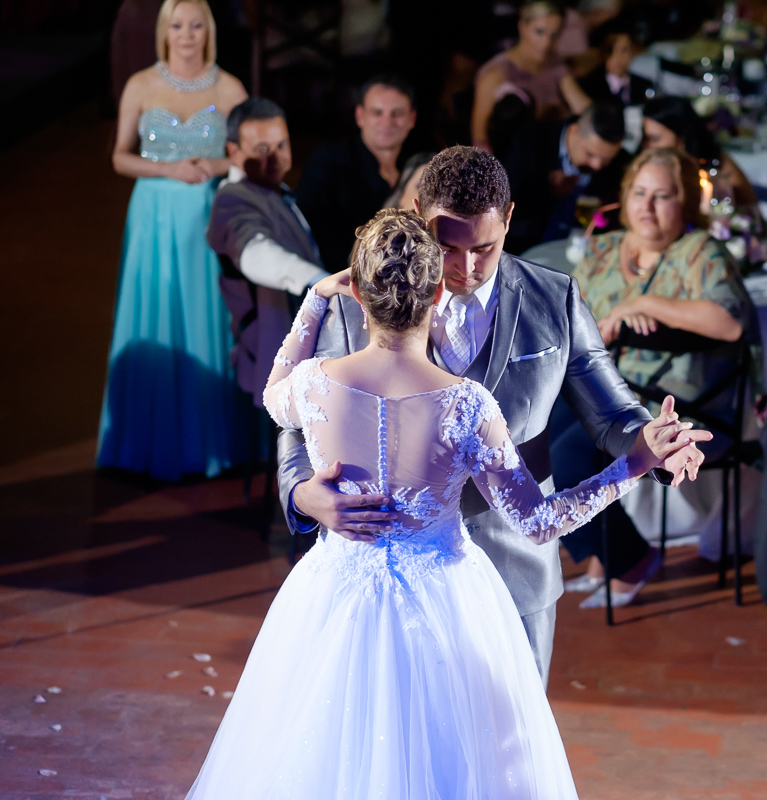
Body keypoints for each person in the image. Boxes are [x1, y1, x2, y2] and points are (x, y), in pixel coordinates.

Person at [184, 209, 702, 798]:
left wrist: (314, 300)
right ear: (436, 292)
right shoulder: (467, 405)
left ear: (357, 293)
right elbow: (537, 522)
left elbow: (273, 392)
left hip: (335, 591)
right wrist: (634, 464)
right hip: (447, 600)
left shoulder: (313, 385)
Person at [276, 147, 707, 683]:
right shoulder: (356, 301)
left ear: (507, 219)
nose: (466, 268)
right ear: (417, 212)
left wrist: (653, 440)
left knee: (512, 755)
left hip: (516, 570)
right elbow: (298, 419)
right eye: (447, 247)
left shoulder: (555, 298)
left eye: (485, 247)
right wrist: (301, 494)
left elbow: (613, 414)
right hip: (390, 580)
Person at [557, 147, 755, 608]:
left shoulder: (700, 253)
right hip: (608, 393)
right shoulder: (606, 248)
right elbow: (568, 317)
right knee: (530, 440)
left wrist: (644, 304)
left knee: (568, 459)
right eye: (639, 193)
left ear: (684, 201)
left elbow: (729, 323)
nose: (647, 207)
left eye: (662, 196)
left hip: (679, 405)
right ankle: (597, 554)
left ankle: (630, 560)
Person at [98, 0, 250, 481]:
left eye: (196, 25)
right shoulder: (140, 84)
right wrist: (167, 169)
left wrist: (213, 167)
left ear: (209, 30)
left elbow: (249, 152)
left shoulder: (229, 88)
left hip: (206, 214)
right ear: (165, 31)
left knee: (207, 314)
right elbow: (120, 157)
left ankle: (209, 441)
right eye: (178, 25)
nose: (187, 34)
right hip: (153, 215)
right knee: (156, 308)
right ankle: (145, 441)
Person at [207, 98, 329, 405]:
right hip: (272, 353)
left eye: (281, 145)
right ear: (233, 152)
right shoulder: (233, 198)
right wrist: (321, 281)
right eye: (262, 149)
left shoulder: (268, 187)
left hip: (293, 353)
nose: (276, 158)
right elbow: (255, 253)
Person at [295, 75, 417, 270]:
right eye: (377, 112)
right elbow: (305, 230)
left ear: (412, 119)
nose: (387, 121)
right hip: (341, 279)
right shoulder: (328, 161)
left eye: (397, 113)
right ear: (360, 116)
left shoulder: (419, 165)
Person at [502, 101, 629, 253]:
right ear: (575, 130)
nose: (597, 165)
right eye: (589, 154)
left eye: (607, 159)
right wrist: (547, 189)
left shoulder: (618, 162)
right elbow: (505, 202)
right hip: (526, 246)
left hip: (580, 248)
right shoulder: (531, 141)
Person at [471, 0, 592, 152]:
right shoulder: (496, 73)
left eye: (554, 35)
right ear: (522, 27)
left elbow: (584, 110)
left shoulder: (555, 65)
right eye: (539, 32)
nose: (546, 42)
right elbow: (480, 139)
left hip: (553, 156)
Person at [641, 96, 757, 210]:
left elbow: (751, 214)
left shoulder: (717, 167)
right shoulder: (644, 169)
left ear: (681, 139)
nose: (646, 145)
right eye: (644, 138)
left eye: (654, 139)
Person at [577, 25, 653, 108]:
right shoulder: (589, 86)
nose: (617, 58)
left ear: (632, 52)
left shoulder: (643, 85)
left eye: (624, 50)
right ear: (603, 53)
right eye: (611, 50)